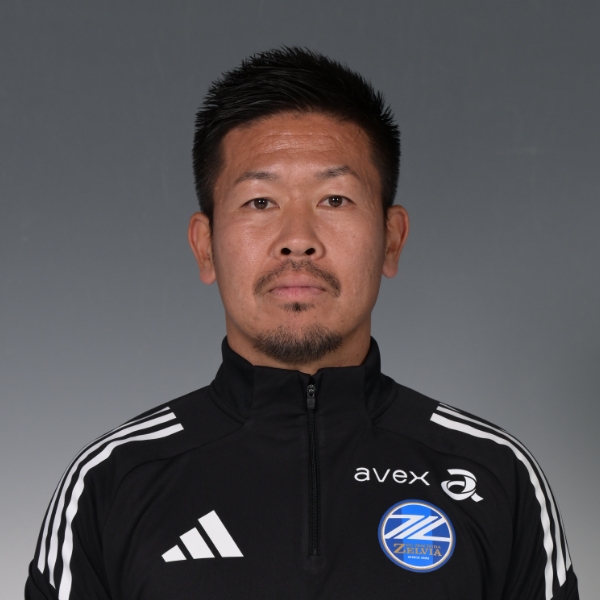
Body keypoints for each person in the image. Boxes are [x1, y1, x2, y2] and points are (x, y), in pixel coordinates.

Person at [25, 47, 579, 600]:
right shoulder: (112, 483)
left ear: (391, 240)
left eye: (334, 199)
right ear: (205, 246)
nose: (298, 238)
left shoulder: (495, 475)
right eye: (260, 202)